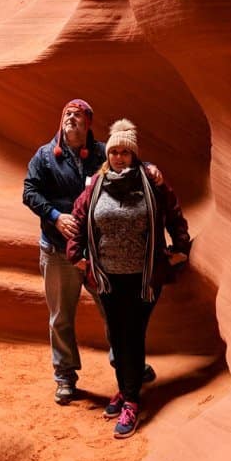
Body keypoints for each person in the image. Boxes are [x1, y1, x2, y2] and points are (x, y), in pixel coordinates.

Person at [23, 101, 161, 404]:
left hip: (97, 255)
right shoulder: (45, 157)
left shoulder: (101, 153)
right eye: (67, 114)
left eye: (79, 115)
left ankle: (127, 366)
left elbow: (128, 161)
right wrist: (56, 217)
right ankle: (65, 377)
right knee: (61, 316)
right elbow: (29, 192)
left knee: (113, 312)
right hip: (58, 250)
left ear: (88, 124)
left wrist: (149, 167)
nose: (72, 118)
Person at [67, 118, 191, 438]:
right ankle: (126, 388)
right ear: (108, 154)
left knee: (131, 335)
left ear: (134, 155)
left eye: (125, 152)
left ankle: (131, 400)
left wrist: (180, 246)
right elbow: (79, 216)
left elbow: (173, 211)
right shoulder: (96, 183)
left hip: (143, 277)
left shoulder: (151, 182)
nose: (119, 157)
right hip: (107, 277)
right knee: (118, 336)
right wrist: (75, 254)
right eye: (114, 151)